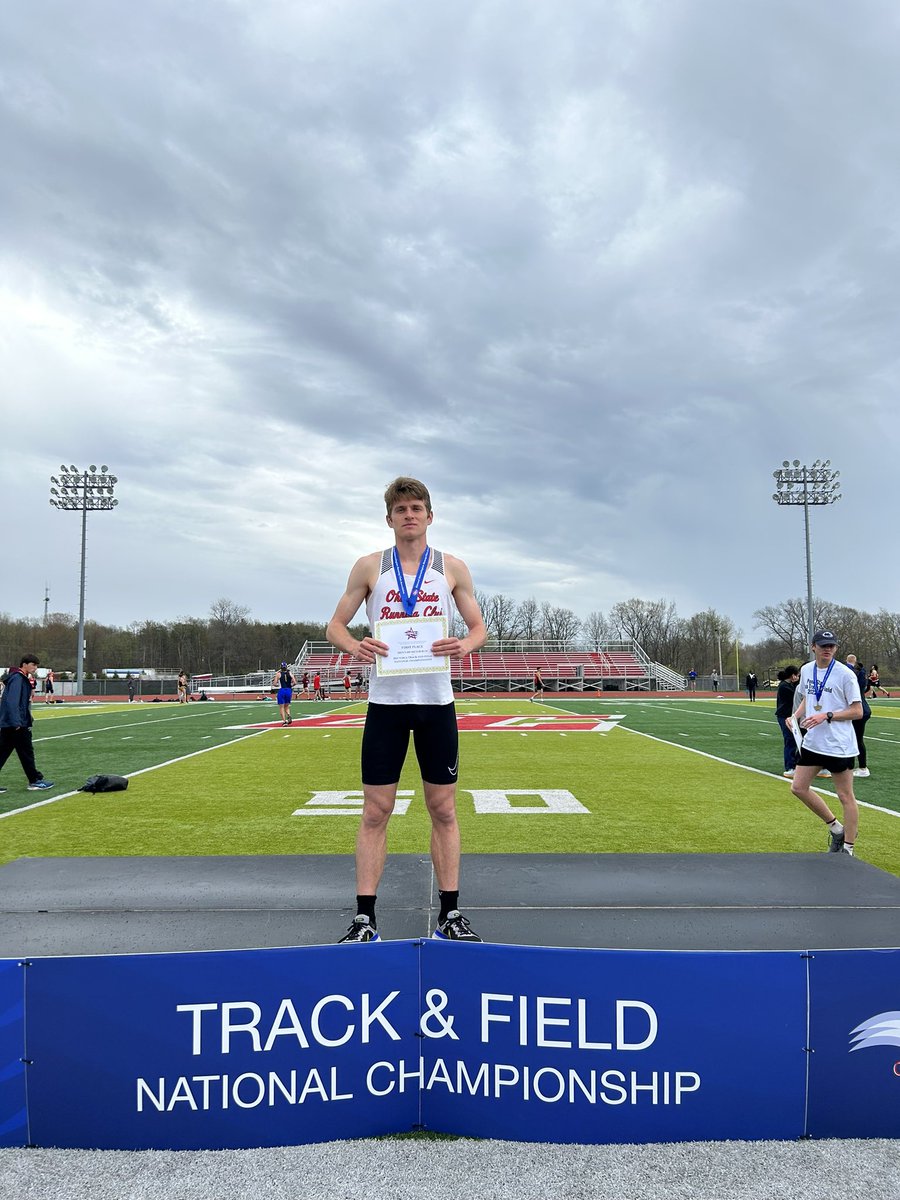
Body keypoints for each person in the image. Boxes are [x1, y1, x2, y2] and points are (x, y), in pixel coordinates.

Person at [325, 476, 487, 943]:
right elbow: (336, 625)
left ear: (430, 516)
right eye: (401, 510)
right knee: (376, 810)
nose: (409, 515)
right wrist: (355, 645)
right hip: (387, 704)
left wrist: (464, 644)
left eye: (417, 508)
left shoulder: (451, 567)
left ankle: (450, 914)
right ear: (390, 518)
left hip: (436, 703)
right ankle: (364, 918)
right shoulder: (369, 567)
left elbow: (478, 628)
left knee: (444, 808)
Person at [787, 631, 862, 856]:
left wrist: (827, 715)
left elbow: (857, 711)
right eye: (823, 645)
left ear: (836, 649)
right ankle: (835, 828)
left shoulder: (845, 674)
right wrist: (795, 716)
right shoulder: (807, 670)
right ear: (813, 647)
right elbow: (809, 696)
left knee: (845, 796)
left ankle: (848, 847)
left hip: (839, 745)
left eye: (831, 645)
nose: (827, 649)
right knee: (798, 787)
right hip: (813, 742)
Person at [0, 655, 54, 793]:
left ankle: (35, 779)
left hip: (12, 723)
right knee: (26, 752)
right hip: (17, 724)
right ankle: (35, 780)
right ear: (24, 664)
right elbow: (13, 702)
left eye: (36, 665)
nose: (35, 667)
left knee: (3, 752)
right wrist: (17, 721)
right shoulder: (18, 678)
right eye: (33, 664)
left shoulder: (19, 678)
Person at [845, 655, 872, 778]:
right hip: (862, 708)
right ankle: (857, 766)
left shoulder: (850, 673)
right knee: (855, 738)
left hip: (857, 710)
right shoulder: (861, 672)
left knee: (854, 738)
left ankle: (861, 767)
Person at [775, 666, 800, 777]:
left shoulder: (788, 685)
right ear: (792, 675)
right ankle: (790, 766)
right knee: (789, 740)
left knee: (794, 741)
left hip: (790, 716)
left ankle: (795, 764)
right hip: (785, 716)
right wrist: (797, 683)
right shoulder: (784, 686)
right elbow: (796, 695)